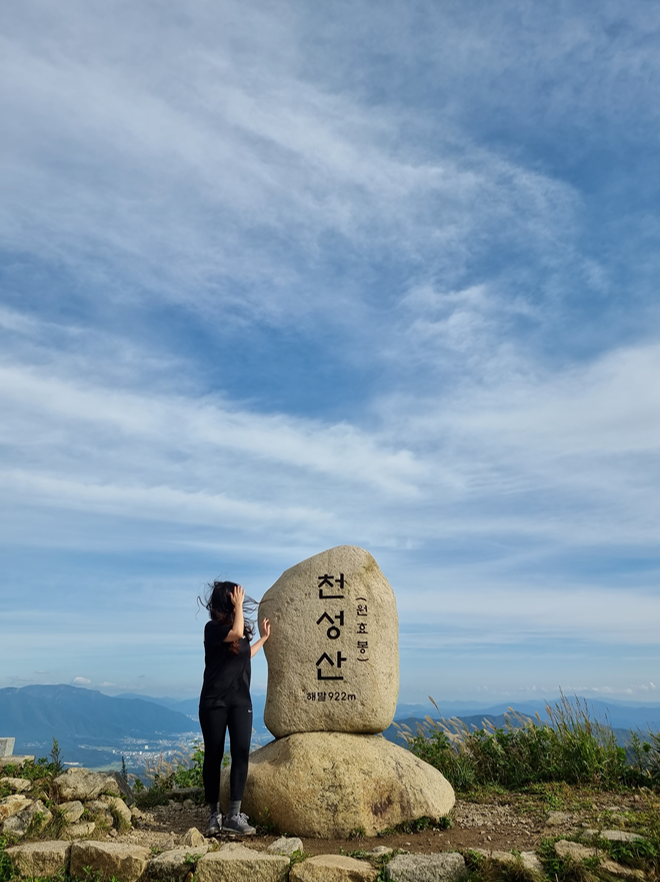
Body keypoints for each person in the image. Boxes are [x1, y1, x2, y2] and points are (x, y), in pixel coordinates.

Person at [198, 580, 270, 836]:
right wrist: (239, 606)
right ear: (226, 602)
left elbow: (244, 652)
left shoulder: (236, 632)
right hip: (214, 703)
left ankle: (234, 816)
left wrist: (262, 639)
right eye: (235, 598)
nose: (240, 601)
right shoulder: (212, 630)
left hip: (240, 702)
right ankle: (213, 814)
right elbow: (237, 633)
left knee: (240, 754)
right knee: (213, 756)